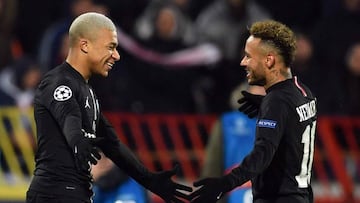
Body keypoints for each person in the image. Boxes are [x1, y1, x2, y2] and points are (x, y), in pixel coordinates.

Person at [26, 12, 192, 203]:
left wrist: (150, 180)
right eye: (110, 47)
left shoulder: (87, 92)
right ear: (85, 46)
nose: (116, 55)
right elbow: (69, 122)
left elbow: (112, 145)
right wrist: (85, 159)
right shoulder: (59, 84)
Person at [189, 20, 317, 203]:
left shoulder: (276, 102)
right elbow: (291, 124)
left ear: (269, 60)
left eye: (249, 56)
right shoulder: (303, 92)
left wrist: (224, 183)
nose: (243, 62)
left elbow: (262, 155)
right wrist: (265, 105)